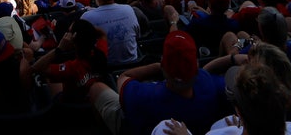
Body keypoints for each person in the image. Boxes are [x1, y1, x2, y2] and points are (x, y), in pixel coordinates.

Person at [89, 31, 227, 135]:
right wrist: (232, 58)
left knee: (96, 88)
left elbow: (123, 77)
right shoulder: (208, 83)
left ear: (163, 64)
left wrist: (157, 67)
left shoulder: (144, 95)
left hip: (132, 123)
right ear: (196, 65)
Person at [81, 0, 141, 67]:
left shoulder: (87, 17)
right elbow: (137, 35)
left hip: (105, 70)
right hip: (133, 65)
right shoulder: (128, 9)